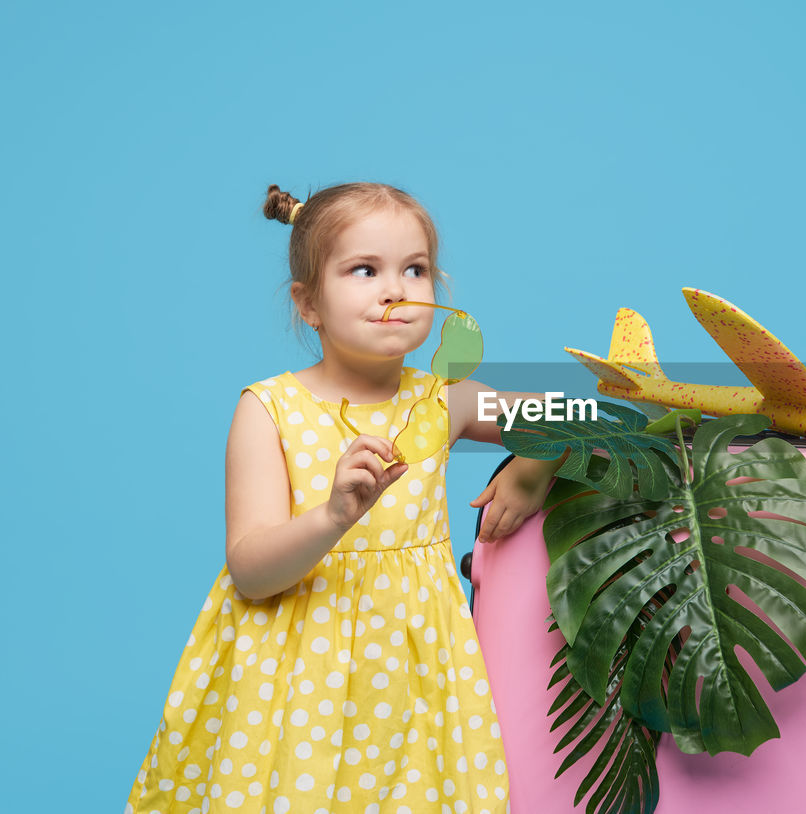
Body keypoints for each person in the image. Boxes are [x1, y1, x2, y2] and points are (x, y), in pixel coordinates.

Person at [125, 182, 560, 813]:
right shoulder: (269, 409)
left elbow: (575, 417)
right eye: (364, 270)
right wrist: (334, 516)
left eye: (416, 269)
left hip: (413, 669)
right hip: (293, 671)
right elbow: (250, 570)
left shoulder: (447, 400)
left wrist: (530, 471)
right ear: (308, 304)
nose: (397, 290)